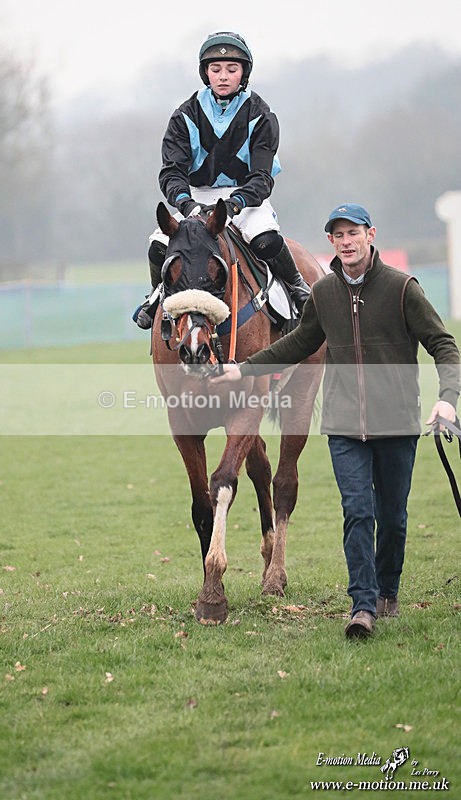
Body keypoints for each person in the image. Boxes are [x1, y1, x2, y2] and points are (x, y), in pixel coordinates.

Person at [210, 202, 460, 638]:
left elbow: (443, 344)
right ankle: (362, 606)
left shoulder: (403, 289)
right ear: (331, 242)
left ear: (370, 235)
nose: (346, 242)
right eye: (338, 236)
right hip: (344, 425)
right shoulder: (324, 293)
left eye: (353, 233)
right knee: (357, 512)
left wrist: (448, 400)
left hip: (396, 423)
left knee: (393, 517)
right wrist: (242, 369)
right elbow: (299, 342)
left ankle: (387, 591)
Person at [135, 31, 310, 329]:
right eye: (215, 70)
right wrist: (186, 204)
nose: (223, 76)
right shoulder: (184, 115)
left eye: (232, 69)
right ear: (206, 73)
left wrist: (234, 205)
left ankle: (297, 288)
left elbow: (262, 177)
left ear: (244, 73)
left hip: (246, 198)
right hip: (198, 198)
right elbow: (171, 172)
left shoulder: (261, 114)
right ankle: (157, 295)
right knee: (159, 245)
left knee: (266, 240)